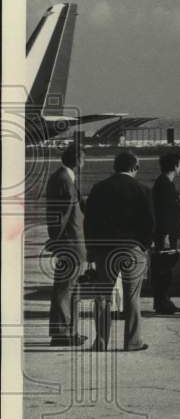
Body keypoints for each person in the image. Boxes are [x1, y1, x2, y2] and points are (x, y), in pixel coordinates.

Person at [84, 151, 155, 352]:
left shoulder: (99, 189)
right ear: (134, 168)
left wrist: (91, 248)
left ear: (115, 167)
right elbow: (149, 222)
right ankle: (132, 341)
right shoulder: (142, 189)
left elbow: (90, 222)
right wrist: (144, 245)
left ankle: (100, 341)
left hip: (105, 250)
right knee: (132, 297)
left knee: (103, 297)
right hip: (132, 249)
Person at [45, 142, 88, 347]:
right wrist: (55, 239)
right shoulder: (64, 180)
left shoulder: (64, 178)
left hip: (73, 242)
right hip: (70, 243)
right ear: (78, 159)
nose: (85, 161)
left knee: (71, 288)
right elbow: (60, 215)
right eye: (84, 158)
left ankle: (69, 330)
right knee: (65, 288)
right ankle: (62, 333)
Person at [151, 153, 180, 314]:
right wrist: (165, 235)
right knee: (163, 270)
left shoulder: (164, 183)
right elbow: (164, 212)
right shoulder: (165, 185)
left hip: (167, 232)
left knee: (164, 269)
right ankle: (162, 302)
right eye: (179, 164)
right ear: (175, 166)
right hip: (164, 234)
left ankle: (163, 301)